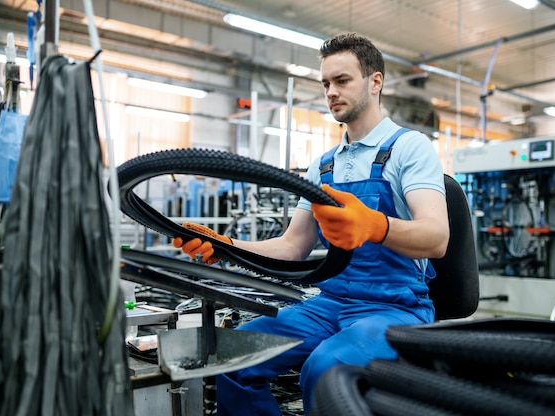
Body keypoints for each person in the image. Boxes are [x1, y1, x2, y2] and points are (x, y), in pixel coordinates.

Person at [172, 32, 449, 415]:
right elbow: (292, 246)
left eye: (342, 81)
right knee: (233, 355)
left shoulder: (409, 147)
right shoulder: (324, 164)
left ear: (375, 81)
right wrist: (225, 245)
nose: (331, 92)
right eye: (325, 84)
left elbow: (436, 238)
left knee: (325, 368)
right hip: (331, 302)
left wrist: (374, 226)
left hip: (395, 307)